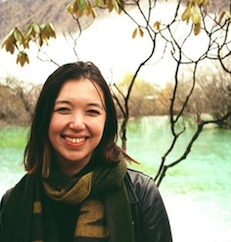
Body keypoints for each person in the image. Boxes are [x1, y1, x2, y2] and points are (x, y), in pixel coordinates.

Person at [0, 61, 172, 242]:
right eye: (63, 109)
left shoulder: (141, 195)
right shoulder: (14, 202)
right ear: (45, 117)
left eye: (92, 111)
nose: (77, 124)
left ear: (107, 122)